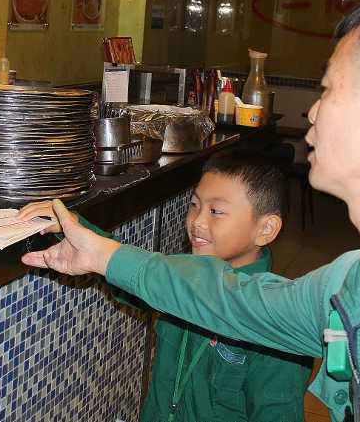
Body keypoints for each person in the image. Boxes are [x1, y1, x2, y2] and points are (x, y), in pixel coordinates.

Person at [21, 0, 360, 421]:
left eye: (330, 88)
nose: (313, 110)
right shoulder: (347, 283)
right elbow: (225, 298)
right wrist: (99, 254)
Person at [18, 148, 313, 421]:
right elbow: (136, 278)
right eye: (195, 204)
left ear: (266, 229)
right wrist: (77, 230)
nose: (197, 221)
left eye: (216, 211)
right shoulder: (183, 273)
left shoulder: (278, 331)